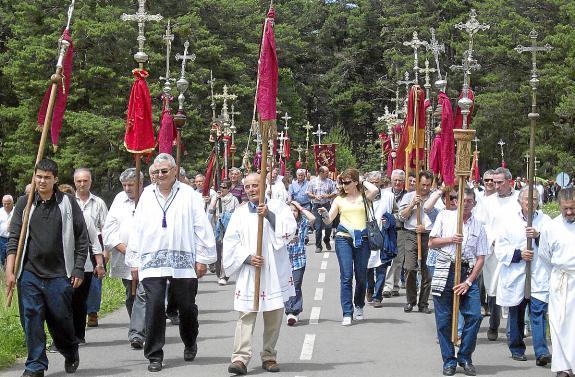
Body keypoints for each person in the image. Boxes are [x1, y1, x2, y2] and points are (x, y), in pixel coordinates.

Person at [126, 153, 216, 372]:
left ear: (175, 171)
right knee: (154, 306)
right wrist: (134, 260)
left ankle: (190, 340)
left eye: (164, 171)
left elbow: (201, 227)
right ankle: (154, 354)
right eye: (155, 172)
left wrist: (203, 258)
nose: (159, 175)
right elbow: (137, 228)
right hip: (152, 260)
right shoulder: (146, 194)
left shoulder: (189, 195)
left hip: (183, 261)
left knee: (186, 307)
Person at [4, 158, 89, 376]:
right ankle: (36, 365)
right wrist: (10, 271)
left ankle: (70, 349)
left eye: (47, 178)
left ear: (55, 179)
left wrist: (79, 268)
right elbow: (15, 238)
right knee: (31, 317)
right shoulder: (25, 202)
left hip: (60, 274)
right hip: (30, 273)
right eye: (38, 176)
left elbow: (81, 238)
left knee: (60, 319)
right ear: (34, 177)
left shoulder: (68, 203)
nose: (42, 181)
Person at [223, 172, 297, 375]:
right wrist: (246, 257)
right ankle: (240, 357)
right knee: (246, 314)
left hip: (273, 269)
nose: (251, 190)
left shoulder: (278, 207)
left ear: (264, 186)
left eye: (255, 185)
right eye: (247, 187)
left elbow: (290, 230)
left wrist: (270, 216)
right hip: (251, 269)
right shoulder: (240, 213)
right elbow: (230, 242)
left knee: (273, 315)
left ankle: (269, 355)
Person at [429, 188, 488, 376]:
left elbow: (481, 257)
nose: (466, 204)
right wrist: (451, 239)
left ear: (474, 204)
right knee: (444, 320)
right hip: (445, 268)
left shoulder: (479, 226)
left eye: (470, 201)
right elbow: (432, 242)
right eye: (463, 200)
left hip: (466, 272)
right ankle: (448, 360)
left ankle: (465, 356)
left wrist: (469, 281)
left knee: (474, 315)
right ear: (457, 202)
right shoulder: (445, 217)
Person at [494, 186, 552, 366]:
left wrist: (538, 236)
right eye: (527, 199)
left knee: (538, 313)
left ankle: (541, 351)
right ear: (520, 201)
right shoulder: (509, 221)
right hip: (516, 274)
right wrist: (519, 254)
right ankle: (517, 347)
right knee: (516, 313)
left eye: (534, 199)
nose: (531, 202)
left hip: (538, 274)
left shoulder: (546, 221)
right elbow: (500, 248)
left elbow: (553, 246)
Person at [319, 168, 379, 325]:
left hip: (363, 239)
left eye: (347, 182)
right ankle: (347, 312)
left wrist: (362, 180)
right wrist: (324, 214)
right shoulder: (339, 199)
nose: (344, 185)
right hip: (343, 238)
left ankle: (359, 305)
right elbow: (329, 220)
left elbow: (375, 189)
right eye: (342, 182)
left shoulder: (365, 197)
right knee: (346, 276)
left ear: (355, 182)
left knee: (361, 276)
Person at [102, 168, 147, 349]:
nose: (127, 189)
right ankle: (139, 327)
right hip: (124, 257)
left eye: (131, 184)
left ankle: (138, 333)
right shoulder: (119, 199)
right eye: (124, 185)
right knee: (131, 295)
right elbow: (109, 229)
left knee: (144, 295)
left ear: (141, 184)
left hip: (147, 258)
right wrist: (126, 250)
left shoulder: (150, 198)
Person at [58, 184, 105, 344]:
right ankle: (66, 336)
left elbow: (95, 241)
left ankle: (78, 335)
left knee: (78, 302)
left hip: (83, 266)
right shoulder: (54, 216)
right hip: (60, 268)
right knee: (63, 303)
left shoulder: (84, 217)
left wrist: (99, 263)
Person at [539, 187, 575, 377]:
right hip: (560, 280)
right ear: (560, 206)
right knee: (558, 323)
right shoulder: (551, 227)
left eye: (572, 208)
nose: (569, 212)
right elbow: (544, 256)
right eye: (565, 209)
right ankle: (563, 366)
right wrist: (558, 273)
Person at [481, 167, 520, 341]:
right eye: (494, 182)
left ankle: (514, 330)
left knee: (515, 290)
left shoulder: (520, 199)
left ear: (509, 182)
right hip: (494, 252)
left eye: (499, 182)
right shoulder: (488, 202)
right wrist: (494, 239)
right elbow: (483, 225)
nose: (495, 186)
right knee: (494, 290)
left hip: (515, 253)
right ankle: (494, 324)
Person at [399, 170, 441, 314]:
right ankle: (411, 300)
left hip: (429, 235)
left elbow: (441, 219)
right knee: (410, 268)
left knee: (427, 271)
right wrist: (412, 205)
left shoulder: (436, 198)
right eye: (422, 184)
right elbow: (402, 217)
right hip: (411, 234)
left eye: (428, 185)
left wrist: (427, 227)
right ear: (418, 183)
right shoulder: (408, 196)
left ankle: (423, 303)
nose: (425, 188)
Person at [73, 167, 108, 328]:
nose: (82, 184)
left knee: (94, 281)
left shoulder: (98, 202)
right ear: (74, 182)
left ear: (90, 182)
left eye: (85, 180)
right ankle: (75, 312)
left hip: (95, 245)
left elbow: (105, 227)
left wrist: (105, 250)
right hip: (73, 246)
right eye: (79, 181)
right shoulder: (69, 201)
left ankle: (92, 311)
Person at [365, 171, 396, 307]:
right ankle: (370, 288)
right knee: (367, 267)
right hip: (367, 235)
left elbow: (397, 213)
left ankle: (378, 296)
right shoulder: (363, 197)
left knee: (382, 267)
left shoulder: (389, 196)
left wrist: (389, 220)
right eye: (372, 183)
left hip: (384, 236)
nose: (375, 185)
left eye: (377, 182)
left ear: (381, 183)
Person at [285, 200, 315, 325]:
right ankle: (289, 310)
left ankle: (294, 312)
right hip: (285, 260)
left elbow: (312, 218)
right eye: (290, 210)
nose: (293, 213)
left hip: (299, 260)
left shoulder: (302, 223)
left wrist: (300, 207)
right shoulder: (282, 224)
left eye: (295, 211)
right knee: (286, 286)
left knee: (296, 285)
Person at [208, 179, 240, 286]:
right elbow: (210, 211)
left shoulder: (234, 199)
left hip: (229, 228)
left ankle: (225, 275)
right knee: (218, 251)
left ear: (229, 188)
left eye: (224, 187)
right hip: (217, 228)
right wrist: (215, 200)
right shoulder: (217, 198)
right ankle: (218, 273)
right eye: (220, 187)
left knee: (226, 252)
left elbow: (237, 214)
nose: (222, 189)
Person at [383, 169, 408, 298]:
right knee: (388, 258)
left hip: (402, 230)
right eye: (395, 180)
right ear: (391, 181)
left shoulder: (408, 195)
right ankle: (387, 286)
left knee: (398, 261)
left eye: (400, 181)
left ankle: (395, 286)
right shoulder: (385, 194)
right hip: (388, 231)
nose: (397, 183)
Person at [307, 166, 337, 253]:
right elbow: (308, 193)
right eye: (326, 172)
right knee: (318, 227)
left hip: (326, 205)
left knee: (328, 225)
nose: (328, 174)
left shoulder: (330, 182)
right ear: (321, 173)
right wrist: (314, 196)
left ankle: (326, 239)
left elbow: (335, 193)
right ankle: (318, 245)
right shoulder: (312, 182)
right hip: (316, 206)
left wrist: (327, 196)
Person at [0, 194, 14, 267]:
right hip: (1, 239)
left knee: (12, 257)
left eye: (8, 203)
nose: (6, 205)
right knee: (1, 257)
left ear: (12, 203)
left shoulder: (16, 212)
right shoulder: (0, 212)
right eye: (4, 203)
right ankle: (2, 274)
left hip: (13, 239)